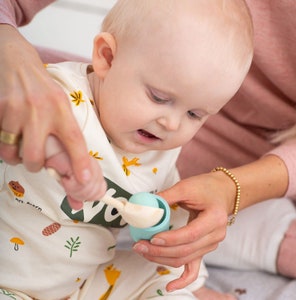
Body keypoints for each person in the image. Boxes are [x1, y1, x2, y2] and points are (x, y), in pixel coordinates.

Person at [0, 0, 254, 299]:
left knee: (161, 279)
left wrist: (170, 236)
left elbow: (168, 227)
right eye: (159, 97)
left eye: (194, 115)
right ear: (107, 57)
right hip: (8, 277)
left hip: (82, 284)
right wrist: (57, 153)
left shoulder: (159, 148)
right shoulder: (60, 98)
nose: (172, 124)